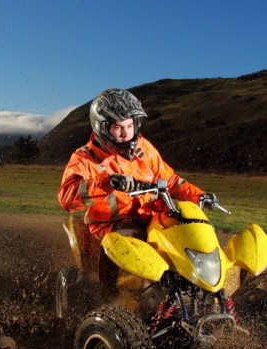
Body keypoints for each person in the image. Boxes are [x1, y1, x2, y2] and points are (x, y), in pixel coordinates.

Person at [57, 88, 207, 241]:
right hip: (110, 226)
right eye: (118, 127)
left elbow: (169, 181)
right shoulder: (85, 158)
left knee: (194, 233)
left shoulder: (143, 147)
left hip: (152, 220)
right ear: (101, 127)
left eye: (130, 126)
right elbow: (66, 199)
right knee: (138, 243)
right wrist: (107, 183)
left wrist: (199, 196)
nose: (126, 133)